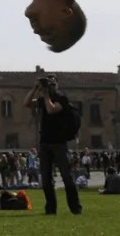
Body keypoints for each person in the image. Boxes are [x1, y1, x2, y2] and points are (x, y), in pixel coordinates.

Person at [27, 74, 82, 215]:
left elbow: (51, 110)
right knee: (46, 179)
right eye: (48, 84)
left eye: (52, 84)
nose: (50, 87)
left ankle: (75, 208)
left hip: (59, 143)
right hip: (45, 143)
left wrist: (45, 95)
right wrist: (35, 88)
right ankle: (51, 209)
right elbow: (26, 103)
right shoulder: (42, 99)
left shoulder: (62, 99)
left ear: (57, 85)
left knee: (66, 177)